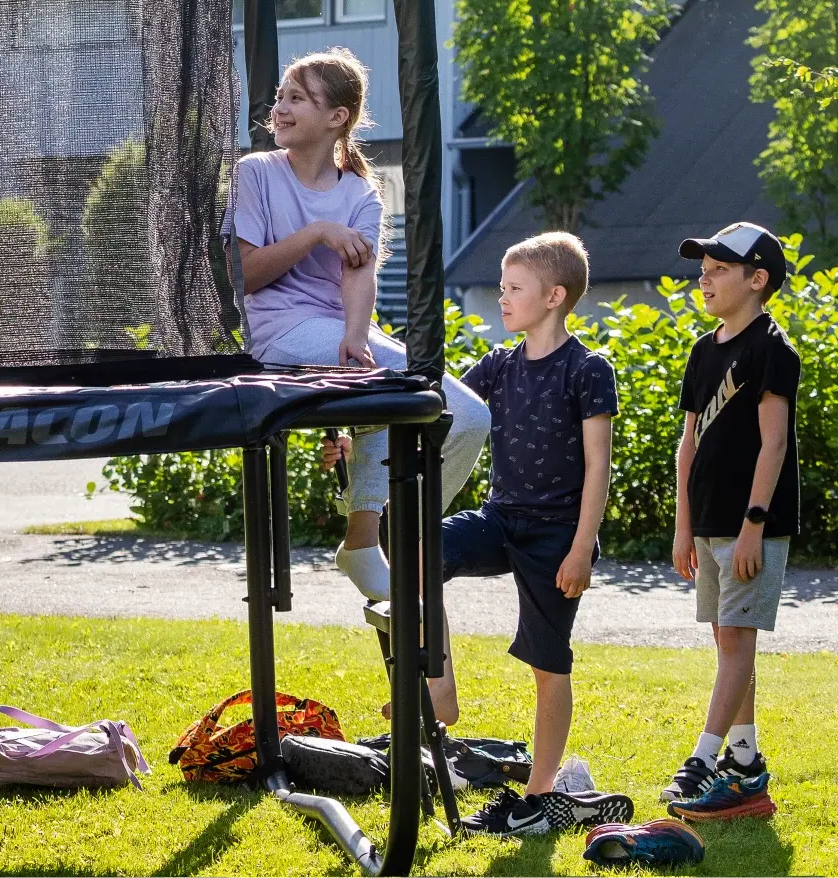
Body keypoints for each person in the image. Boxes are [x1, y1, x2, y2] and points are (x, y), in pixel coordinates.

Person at [223, 48, 490, 601]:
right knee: (435, 402)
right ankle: (375, 540)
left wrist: (353, 335)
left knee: (464, 416)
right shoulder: (255, 174)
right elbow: (243, 276)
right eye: (280, 98)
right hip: (277, 333)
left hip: (331, 329)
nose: (280, 109)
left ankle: (373, 536)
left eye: (297, 98)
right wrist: (317, 232)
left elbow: (358, 278)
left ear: (336, 117)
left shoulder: (361, 194)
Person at [432, 232, 631, 838]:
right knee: (422, 546)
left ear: (554, 296)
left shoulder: (587, 369)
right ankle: (440, 690)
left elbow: (599, 466)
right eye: (502, 287)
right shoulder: (497, 365)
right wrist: (356, 436)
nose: (503, 298)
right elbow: (444, 410)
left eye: (514, 288)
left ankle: (540, 798)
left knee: (549, 665)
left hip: (556, 537)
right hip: (501, 520)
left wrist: (579, 548)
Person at [661, 222, 798, 824]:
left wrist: (754, 525)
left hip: (752, 525)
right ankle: (744, 764)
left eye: (719, 268)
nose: (705, 277)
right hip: (709, 520)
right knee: (725, 637)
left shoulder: (772, 349)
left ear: (757, 279)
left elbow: (774, 445)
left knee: (737, 638)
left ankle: (703, 757)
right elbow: (687, 445)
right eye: (704, 267)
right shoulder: (703, 348)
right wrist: (683, 526)